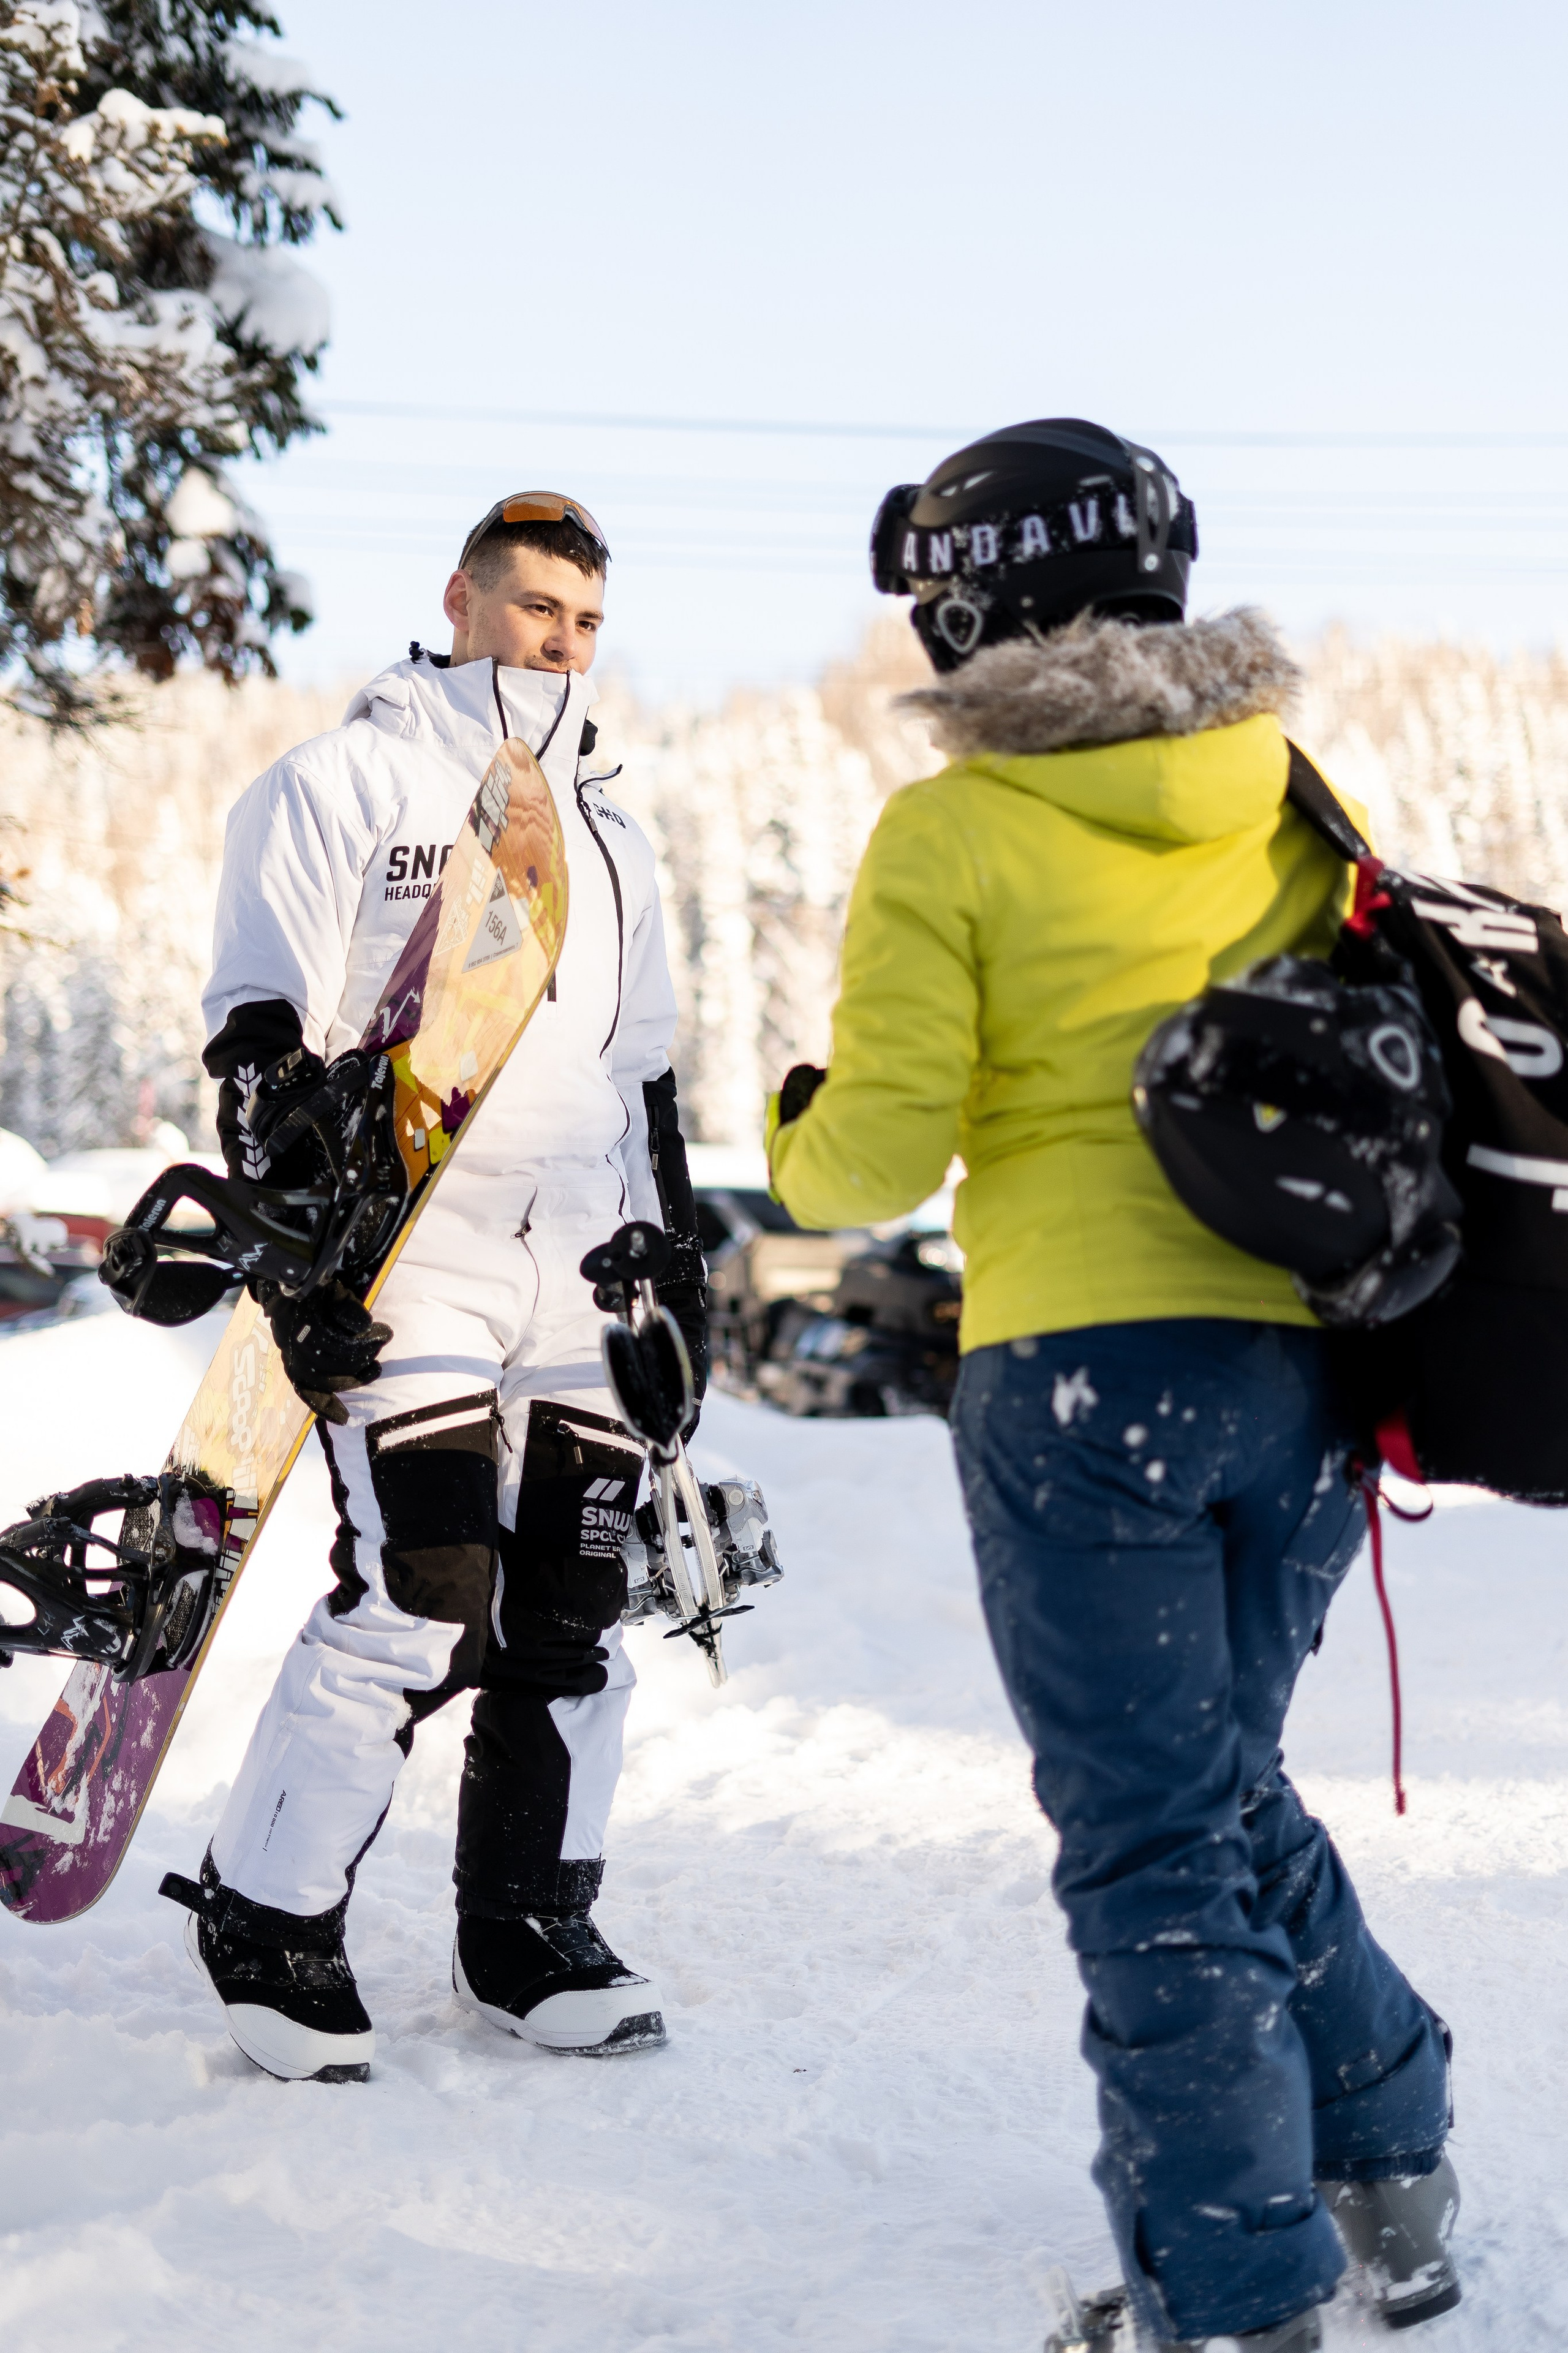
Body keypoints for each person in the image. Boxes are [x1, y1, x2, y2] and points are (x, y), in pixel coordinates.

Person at [766, 421, 1459, 2353]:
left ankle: (1235, 2297)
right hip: (1304, 1379)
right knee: (1225, 1790)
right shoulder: (1290, 797)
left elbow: (870, 1155)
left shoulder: (956, 830)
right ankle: (1393, 2168)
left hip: (1086, 1389)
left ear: (975, 605)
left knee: (1154, 1844)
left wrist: (787, 1128)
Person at [162, 493, 707, 2082]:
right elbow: (258, 1030)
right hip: (416, 1254)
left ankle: (527, 1927)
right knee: (423, 1591)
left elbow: (647, 1075)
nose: (561, 642)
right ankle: (269, 1914)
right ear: (459, 599)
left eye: (586, 620)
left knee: (576, 1605)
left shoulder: (611, 827)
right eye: (536, 606)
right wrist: (294, 1252)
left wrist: (674, 1264)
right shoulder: (345, 780)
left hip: (582, 1267)